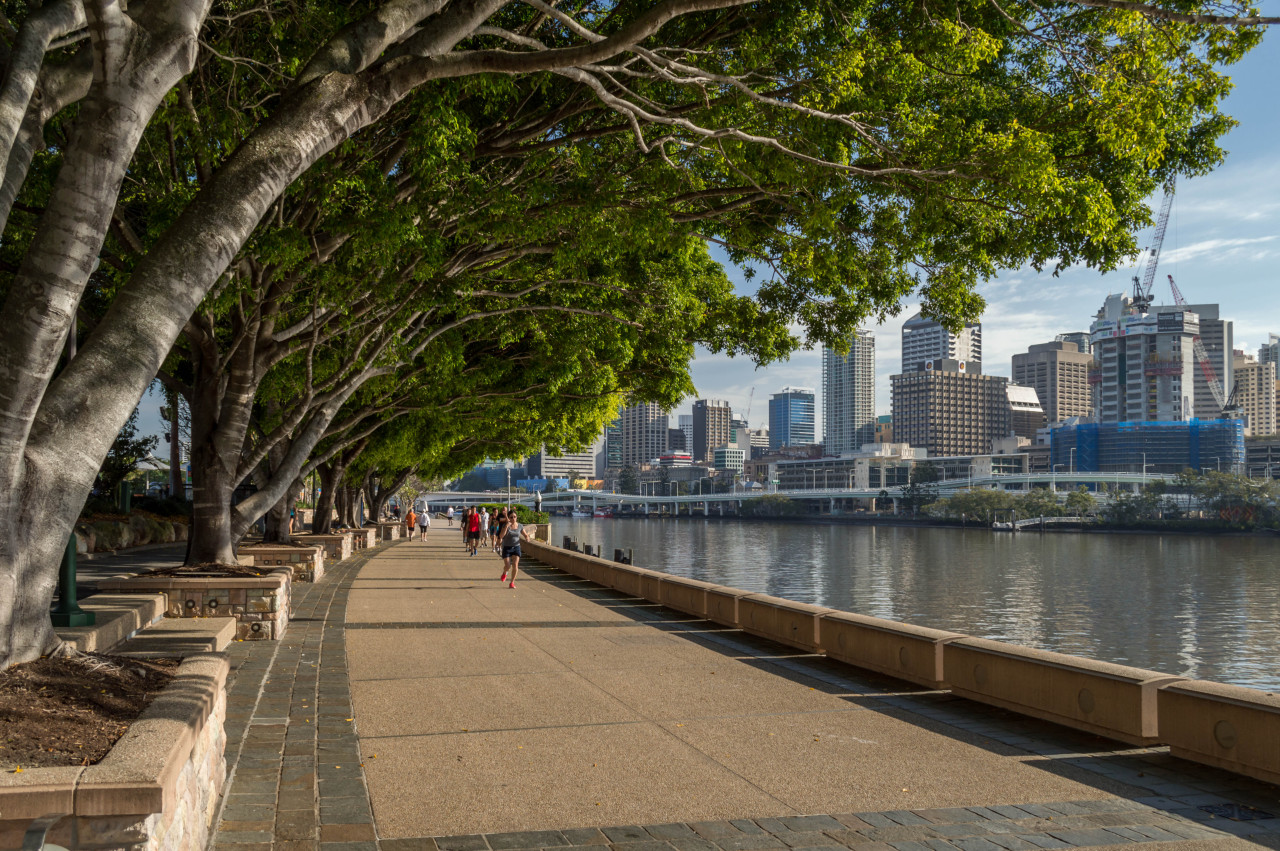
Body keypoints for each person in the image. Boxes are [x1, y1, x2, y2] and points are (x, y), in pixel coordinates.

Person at [498, 508, 531, 588]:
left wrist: (527, 537)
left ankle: (512, 583)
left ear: (516, 517)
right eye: (511, 517)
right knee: (508, 566)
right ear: (508, 518)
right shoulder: (505, 526)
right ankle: (505, 573)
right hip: (507, 547)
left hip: (516, 547)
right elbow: (501, 536)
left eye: (514, 517)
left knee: (515, 565)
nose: (513, 518)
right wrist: (506, 526)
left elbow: (525, 534)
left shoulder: (519, 526)